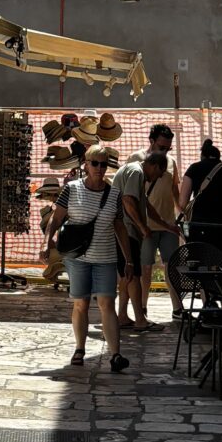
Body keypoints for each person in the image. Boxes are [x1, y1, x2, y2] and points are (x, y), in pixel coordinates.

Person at [44, 140, 130, 375]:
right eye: (95, 164)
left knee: (107, 303)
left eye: (104, 164)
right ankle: (80, 348)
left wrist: (128, 259)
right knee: (81, 303)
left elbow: (120, 226)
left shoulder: (114, 194)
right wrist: (46, 243)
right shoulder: (72, 189)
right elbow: (56, 218)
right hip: (78, 258)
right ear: (86, 164)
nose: (100, 168)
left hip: (106, 257)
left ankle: (115, 354)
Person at [114, 123, 176, 332]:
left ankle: (122, 316)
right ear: (155, 167)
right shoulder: (137, 172)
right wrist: (142, 227)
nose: (156, 179)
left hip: (126, 229)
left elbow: (146, 205)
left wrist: (166, 225)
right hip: (126, 230)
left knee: (127, 274)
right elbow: (128, 201)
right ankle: (140, 319)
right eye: (159, 174)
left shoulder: (137, 172)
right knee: (134, 273)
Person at [180, 139, 222, 260]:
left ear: (202, 156)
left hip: (198, 228)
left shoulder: (193, 169)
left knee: (199, 261)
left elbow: (183, 203)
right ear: (219, 157)